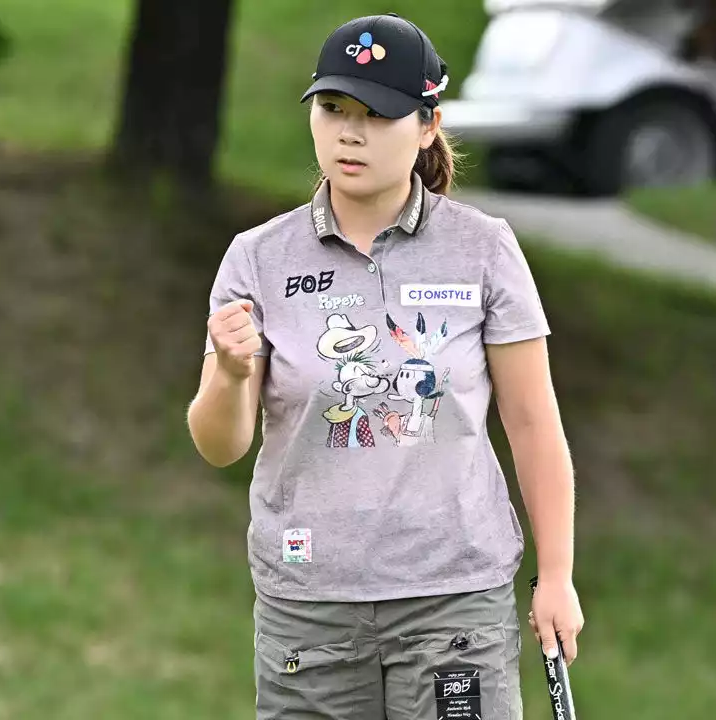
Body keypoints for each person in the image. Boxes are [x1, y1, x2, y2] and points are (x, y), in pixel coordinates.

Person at [187, 12, 582, 719]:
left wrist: (557, 576)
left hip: (453, 601)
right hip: (309, 612)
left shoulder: (483, 249)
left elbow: (532, 424)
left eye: (378, 115)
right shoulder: (258, 258)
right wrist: (231, 371)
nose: (349, 132)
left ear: (428, 125)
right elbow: (222, 447)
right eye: (334, 109)